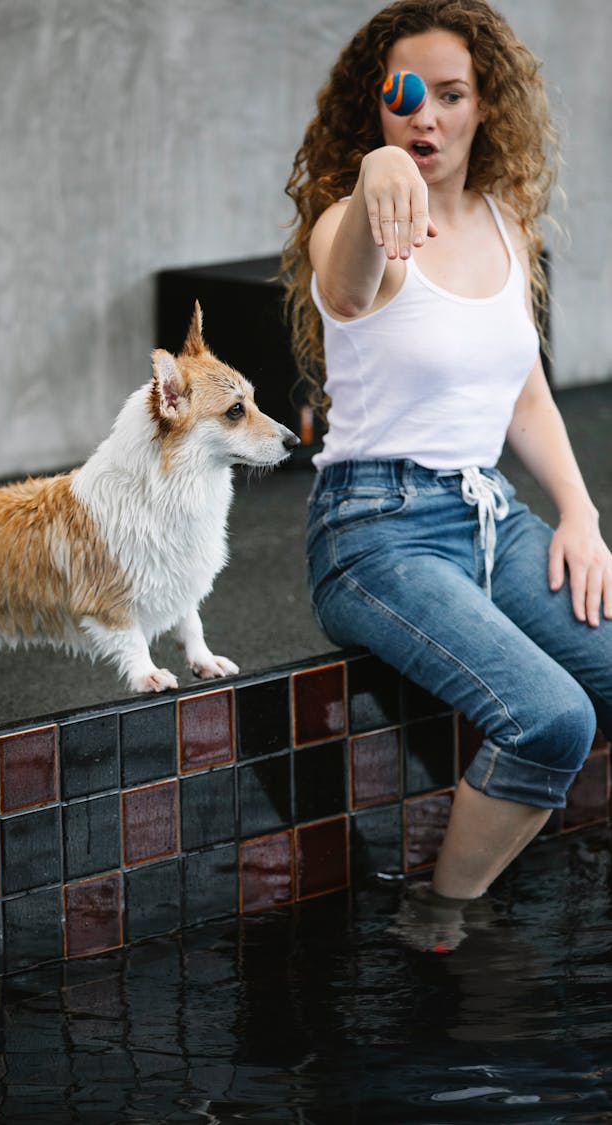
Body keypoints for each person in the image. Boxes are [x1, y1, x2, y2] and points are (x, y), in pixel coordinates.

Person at [281, 0, 612, 919]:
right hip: (375, 533)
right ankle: (438, 917)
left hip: (491, 518)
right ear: (378, 107)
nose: (424, 114)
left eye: (450, 94)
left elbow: (523, 390)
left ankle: (521, 847)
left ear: (483, 108)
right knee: (550, 718)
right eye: (403, 95)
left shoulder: (509, 223)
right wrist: (380, 176)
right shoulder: (354, 220)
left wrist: (580, 514)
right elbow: (346, 293)